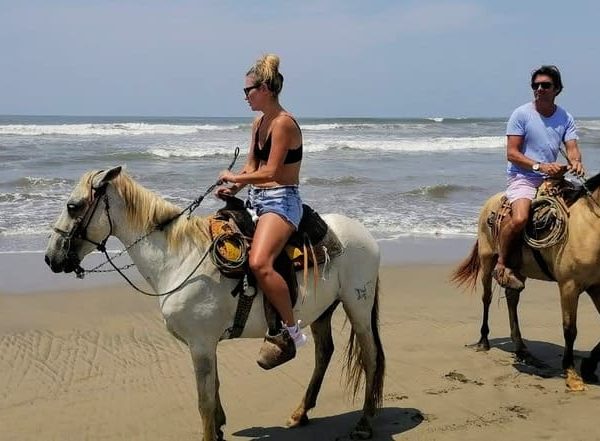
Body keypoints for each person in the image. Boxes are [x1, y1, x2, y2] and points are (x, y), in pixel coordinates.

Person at [216, 54, 307, 367]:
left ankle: (292, 331)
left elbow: (270, 172)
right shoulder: (259, 123)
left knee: (259, 263)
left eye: (249, 90)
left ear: (266, 88)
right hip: (257, 198)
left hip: (282, 201)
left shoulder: (283, 124)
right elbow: (252, 165)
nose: (245, 96)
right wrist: (236, 188)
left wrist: (236, 178)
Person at [493, 65, 585, 290]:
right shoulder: (521, 114)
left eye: (546, 85)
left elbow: (571, 147)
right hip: (523, 176)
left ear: (557, 89)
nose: (540, 89)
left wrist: (576, 162)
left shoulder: (565, 117)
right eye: (536, 85)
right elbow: (512, 153)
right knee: (520, 218)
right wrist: (539, 165)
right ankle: (502, 265)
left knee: (583, 209)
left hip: (551, 178)